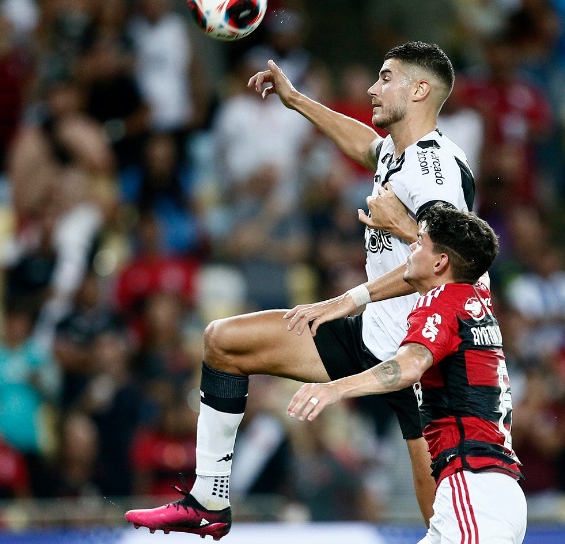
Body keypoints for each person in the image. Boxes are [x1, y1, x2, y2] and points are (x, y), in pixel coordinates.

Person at [125, 41, 475, 540]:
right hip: (371, 336)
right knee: (223, 342)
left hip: (423, 358)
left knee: (443, 525)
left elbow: (454, 259)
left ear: (419, 90)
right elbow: (363, 146)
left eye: (385, 78)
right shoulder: (398, 153)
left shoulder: (433, 166)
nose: (373, 88)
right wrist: (297, 101)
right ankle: (209, 503)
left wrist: (400, 233)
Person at [287, 204, 526, 544]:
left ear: (441, 262)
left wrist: (335, 389)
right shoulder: (476, 298)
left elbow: (409, 365)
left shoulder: (441, 302)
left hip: (472, 488)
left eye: (420, 243)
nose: (411, 249)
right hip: (486, 490)